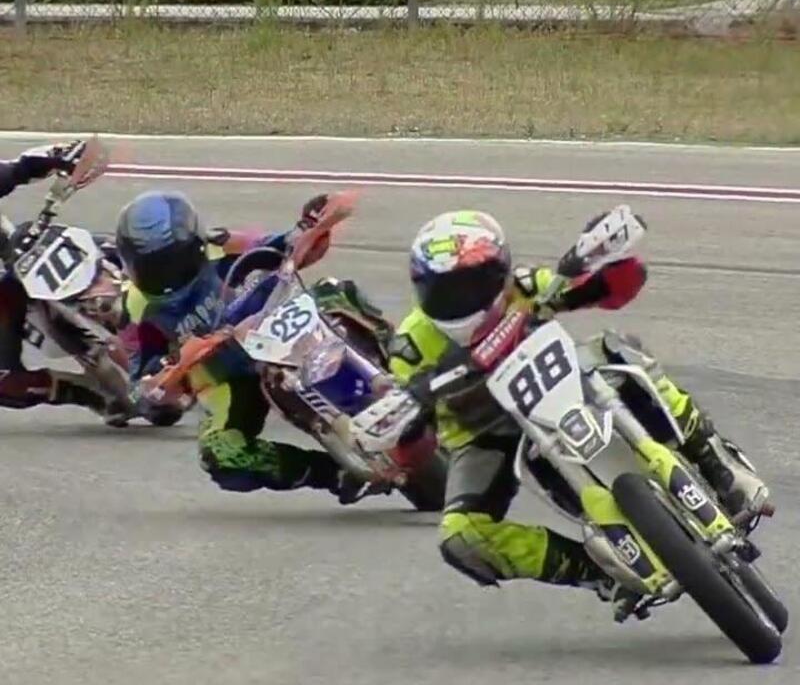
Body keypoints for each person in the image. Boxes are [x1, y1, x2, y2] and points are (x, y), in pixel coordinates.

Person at [387, 209, 770, 612]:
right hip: (486, 433)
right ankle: (599, 573)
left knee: (621, 352)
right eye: (444, 290)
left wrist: (608, 266)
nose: (461, 298)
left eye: (473, 283)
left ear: (499, 272)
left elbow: (611, 287)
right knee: (460, 537)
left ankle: (715, 462)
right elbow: (402, 430)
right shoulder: (410, 346)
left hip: (566, 381)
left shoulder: (521, 287)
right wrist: (407, 421)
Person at [117, 189, 394, 504]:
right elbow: (139, 383)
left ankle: (400, 360)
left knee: (334, 292)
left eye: (172, 262)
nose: (166, 277)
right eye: (152, 267)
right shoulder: (136, 309)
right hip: (228, 375)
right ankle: (333, 474)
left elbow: (282, 248)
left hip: (280, 323)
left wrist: (313, 225)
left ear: (194, 244)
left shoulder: (224, 245)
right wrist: (161, 381)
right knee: (220, 454)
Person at [0, 140, 118, 417]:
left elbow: (18, 169)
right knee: (6, 382)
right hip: (5, 293)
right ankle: (83, 391)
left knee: (110, 245)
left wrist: (61, 156)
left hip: (18, 254)